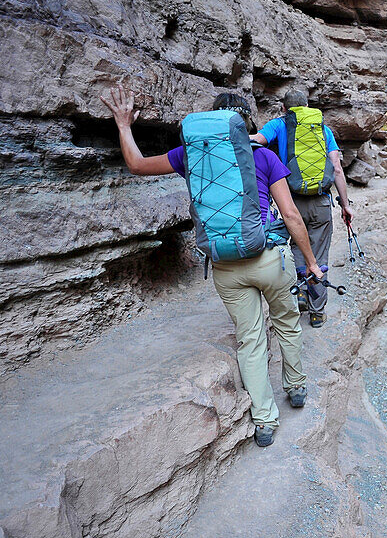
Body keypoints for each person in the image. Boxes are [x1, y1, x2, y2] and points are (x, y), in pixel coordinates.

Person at [100, 86, 325, 448]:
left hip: (225, 266)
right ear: (245, 122)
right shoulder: (264, 157)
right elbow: (292, 216)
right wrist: (311, 264)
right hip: (269, 258)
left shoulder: (190, 155)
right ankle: (295, 388)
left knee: (250, 341)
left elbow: (137, 166)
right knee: (286, 323)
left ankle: (265, 422)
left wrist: (124, 125)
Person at [251, 89, 354, 328]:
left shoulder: (278, 125)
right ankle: (317, 312)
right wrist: (345, 205)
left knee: (297, 244)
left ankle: (300, 293)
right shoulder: (322, 129)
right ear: (307, 107)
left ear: (285, 109)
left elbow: (257, 141)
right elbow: (337, 169)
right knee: (318, 254)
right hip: (321, 201)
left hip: (292, 199)